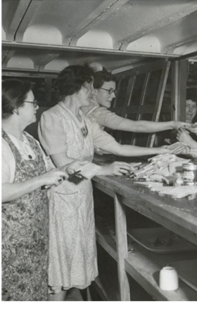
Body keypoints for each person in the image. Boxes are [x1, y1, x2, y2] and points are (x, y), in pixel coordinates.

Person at [38, 65, 168, 300]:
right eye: (89, 86)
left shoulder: (85, 121)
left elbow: (118, 148)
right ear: (77, 87)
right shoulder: (52, 117)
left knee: (75, 268)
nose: (92, 91)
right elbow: (62, 161)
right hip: (61, 202)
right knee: (61, 271)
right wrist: (104, 169)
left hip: (82, 199)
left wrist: (160, 150)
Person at [2, 80, 84, 301]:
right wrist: (42, 179)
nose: (37, 107)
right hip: (9, 245)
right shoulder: (2, 144)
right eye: (33, 102)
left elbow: (47, 172)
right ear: (17, 107)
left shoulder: (30, 141)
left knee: (35, 293)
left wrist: (68, 167)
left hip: (36, 239)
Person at [81, 69, 187, 133]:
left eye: (114, 91)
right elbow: (137, 126)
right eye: (109, 91)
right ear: (94, 91)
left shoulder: (82, 107)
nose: (113, 95)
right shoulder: (100, 113)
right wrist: (172, 124)